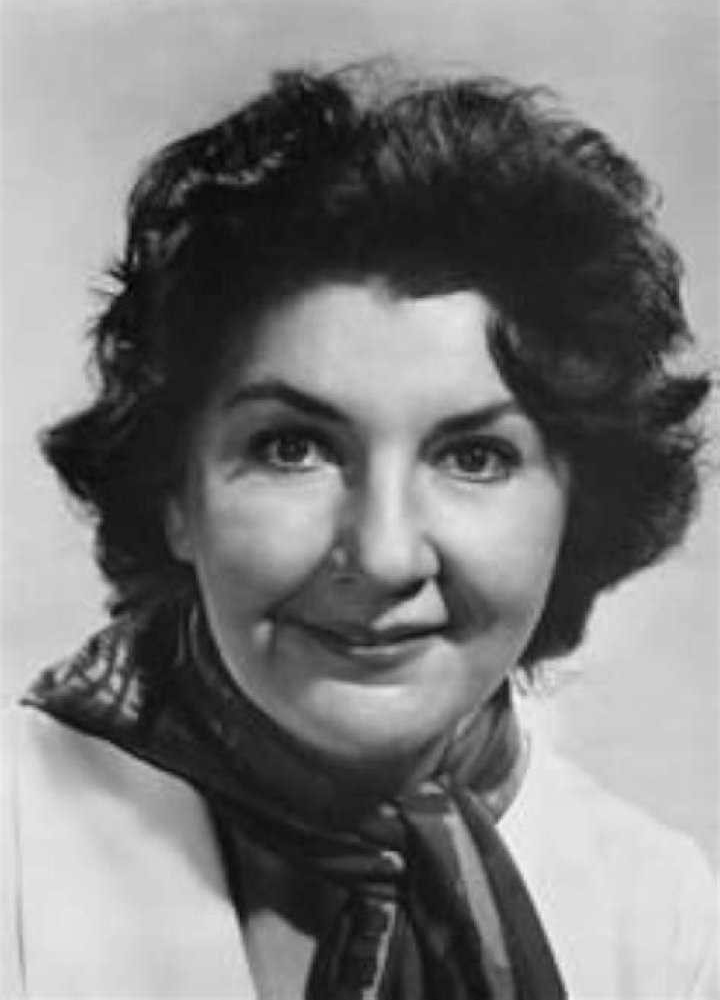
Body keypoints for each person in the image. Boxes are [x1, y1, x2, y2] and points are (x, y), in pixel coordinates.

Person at [4, 61, 717, 1000]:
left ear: (575, 507)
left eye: (475, 457)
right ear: (174, 494)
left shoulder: (664, 915)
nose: (382, 555)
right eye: (292, 447)